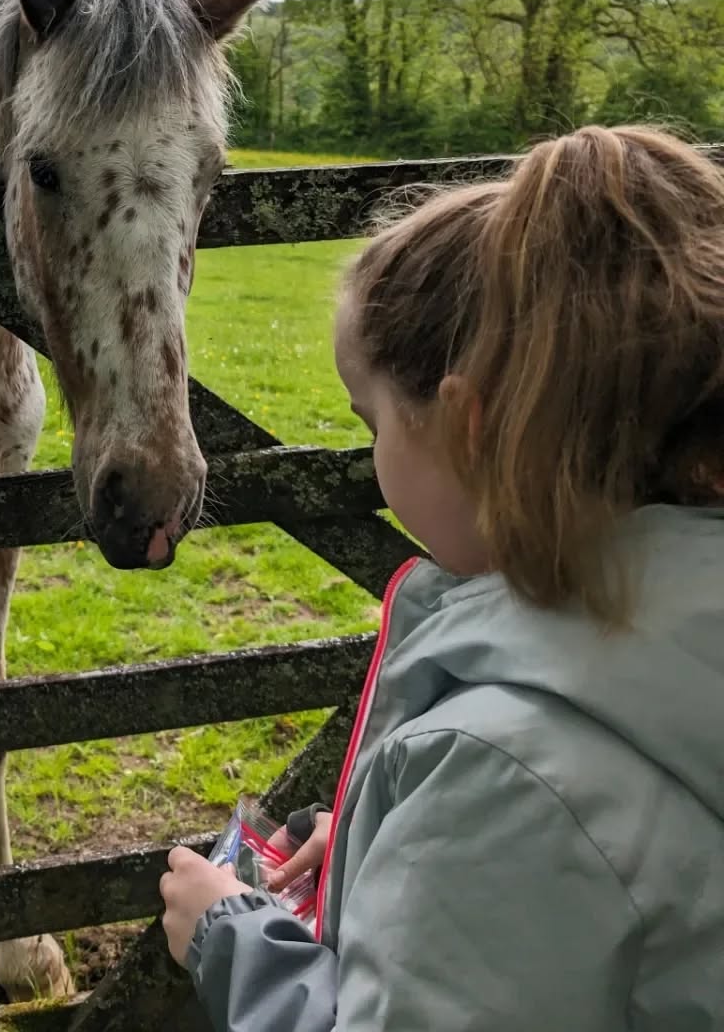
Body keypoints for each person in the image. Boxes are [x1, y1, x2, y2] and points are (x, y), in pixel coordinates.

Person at [160, 125, 724, 1029]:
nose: (372, 447)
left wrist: (238, 943)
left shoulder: (500, 779)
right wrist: (406, 855)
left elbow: (538, 824)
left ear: (467, 425)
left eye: (370, 417)